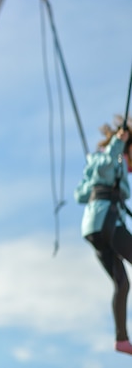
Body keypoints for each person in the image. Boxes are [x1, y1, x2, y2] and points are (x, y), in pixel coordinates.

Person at [74, 115, 132, 355]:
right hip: (106, 222)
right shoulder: (107, 157)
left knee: (122, 283)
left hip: (95, 230)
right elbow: (103, 166)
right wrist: (117, 144)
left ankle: (121, 339)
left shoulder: (109, 165)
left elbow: (81, 194)